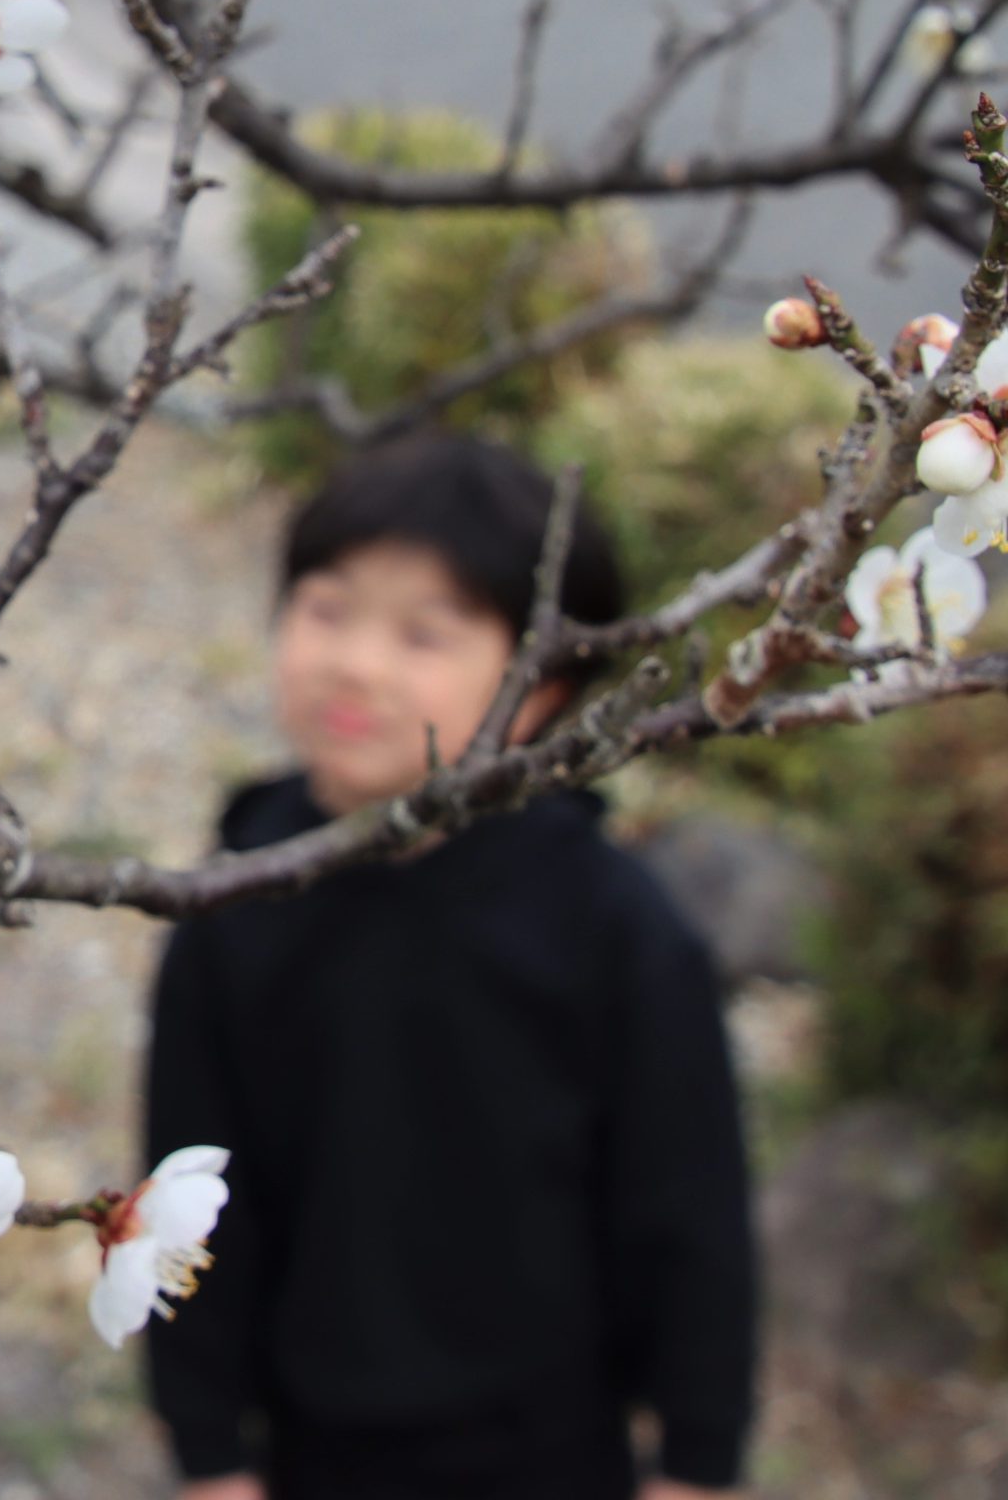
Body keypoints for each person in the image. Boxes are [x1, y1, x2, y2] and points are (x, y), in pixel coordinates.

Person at [144, 434, 758, 1500]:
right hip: (313, 1444)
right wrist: (210, 1452)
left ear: (543, 685)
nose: (355, 664)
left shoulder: (614, 928)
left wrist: (697, 1461)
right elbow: (188, 1200)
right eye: (326, 609)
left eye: (424, 634)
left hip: (548, 1446)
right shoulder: (237, 895)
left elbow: (689, 1212)